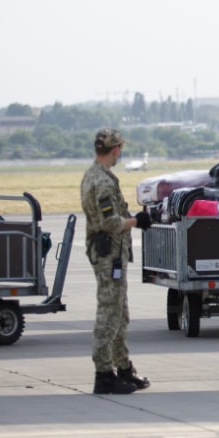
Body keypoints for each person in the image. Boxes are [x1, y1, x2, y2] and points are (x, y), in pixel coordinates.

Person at [81, 128, 152, 394]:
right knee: (109, 314)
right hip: (108, 255)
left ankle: (123, 368)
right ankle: (103, 375)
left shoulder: (95, 175)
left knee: (120, 313)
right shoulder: (102, 182)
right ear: (115, 150)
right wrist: (136, 221)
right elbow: (109, 222)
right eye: (120, 148)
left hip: (112, 255)